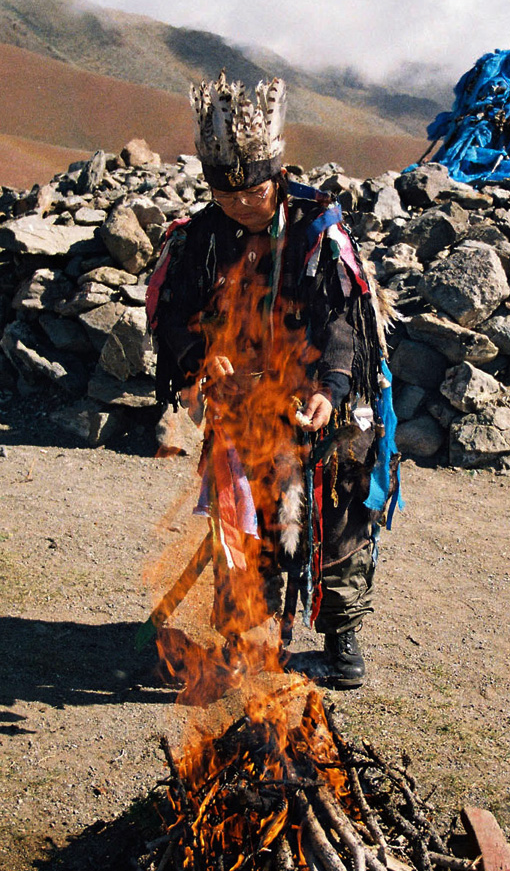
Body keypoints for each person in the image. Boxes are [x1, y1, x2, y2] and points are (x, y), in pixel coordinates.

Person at [147, 72, 401, 689]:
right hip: (246, 411)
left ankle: (342, 653)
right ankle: (251, 643)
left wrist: (330, 388)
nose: (240, 205)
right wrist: (201, 358)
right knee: (248, 525)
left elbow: (344, 321)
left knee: (335, 516)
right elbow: (172, 317)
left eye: (252, 193)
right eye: (225, 195)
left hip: (325, 406)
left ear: (277, 175)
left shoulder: (318, 229)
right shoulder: (201, 238)